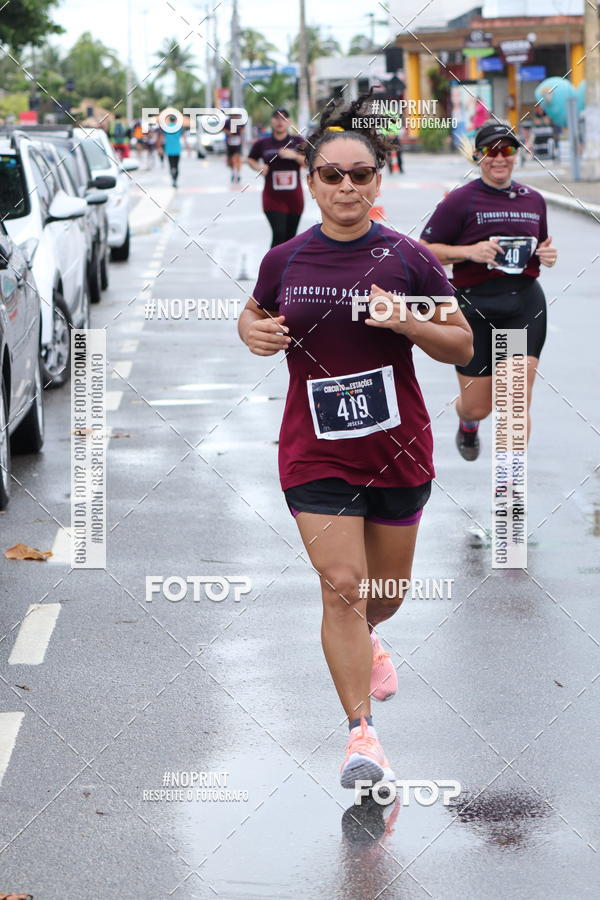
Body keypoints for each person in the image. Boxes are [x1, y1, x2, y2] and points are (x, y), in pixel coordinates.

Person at [238, 98, 473, 789]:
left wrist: (409, 323)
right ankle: (361, 739)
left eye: (361, 175)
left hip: (398, 448)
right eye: (333, 176)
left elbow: (460, 341)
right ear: (311, 181)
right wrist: (248, 332)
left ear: (379, 180)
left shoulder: (408, 259)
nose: (347, 188)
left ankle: (372, 635)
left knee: (384, 593)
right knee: (341, 587)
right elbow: (255, 316)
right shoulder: (287, 258)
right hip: (314, 451)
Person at [420, 121, 557, 461]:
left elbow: (539, 247)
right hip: (474, 308)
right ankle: (468, 422)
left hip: (522, 304)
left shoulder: (533, 200)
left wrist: (547, 255)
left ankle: (509, 485)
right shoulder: (460, 201)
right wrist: (468, 252)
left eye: (508, 150)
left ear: (517, 155)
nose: (500, 158)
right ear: (479, 156)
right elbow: (424, 250)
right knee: (478, 406)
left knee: (514, 400)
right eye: (492, 151)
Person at [246, 108, 305, 247]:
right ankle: (273, 267)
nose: (280, 121)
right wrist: (259, 168)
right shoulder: (263, 143)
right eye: (276, 118)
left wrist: (294, 156)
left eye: (284, 118)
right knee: (279, 234)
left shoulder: (298, 142)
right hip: (272, 197)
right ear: (271, 121)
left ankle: (288, 268)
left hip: (294, 198)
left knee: (291, 239)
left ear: (289, 121)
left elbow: (310, 162)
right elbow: (250, 159)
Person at [161, 114, 183, 187]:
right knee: (176, 166)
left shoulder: (166, 128)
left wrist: (160, 147)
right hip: (177, 149)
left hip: (169, 150)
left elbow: (162, 138)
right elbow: (183, 137)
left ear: (169, 120)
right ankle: (175, 180)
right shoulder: (179, 128)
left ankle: (173, 179)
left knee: (171, 166)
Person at [224, 115, 244, 183]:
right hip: (230, 143)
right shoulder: (227, 121)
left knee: (237, 159)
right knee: (231, 160)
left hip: (238, 143)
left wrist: (240, 133)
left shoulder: (240, 121)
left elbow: (243, 129)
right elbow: (223, 129)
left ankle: (237, 174)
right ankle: (233, 172)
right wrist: (229, 133)